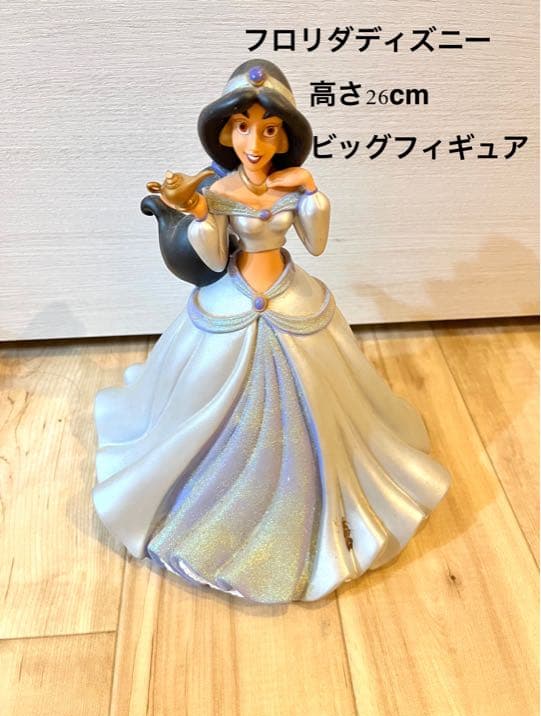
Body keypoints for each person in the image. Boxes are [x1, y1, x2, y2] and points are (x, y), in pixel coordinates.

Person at [92, 59, 451, 604]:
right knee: (205, 388)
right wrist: (200, 215)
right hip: (234, 297)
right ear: (225, 134)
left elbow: (316, 242)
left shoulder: (292, 185)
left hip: (289, 294)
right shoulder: (218, 190)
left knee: (321, 395)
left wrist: (311, 193)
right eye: (243, 127)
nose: (255, 143)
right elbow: (214, 260)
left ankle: (311, 501)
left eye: (269, 129)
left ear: (284, 137)